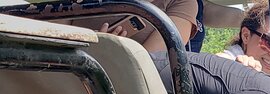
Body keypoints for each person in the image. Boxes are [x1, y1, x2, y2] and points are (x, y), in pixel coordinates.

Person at [69, 0, 198, 52]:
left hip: (125, 91)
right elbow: (51, 33)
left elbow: (152, 63)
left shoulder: (183, 3)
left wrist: (108, 51)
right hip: (63, 72)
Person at [215, 0, 270, 75]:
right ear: (246, 36)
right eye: (269, 42)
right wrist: (234, 72)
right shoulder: (225, 64)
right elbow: (217, 62)